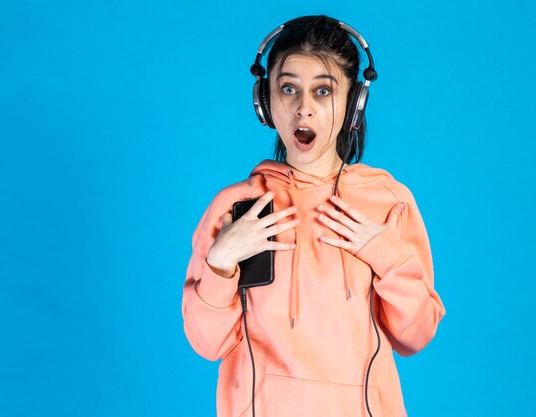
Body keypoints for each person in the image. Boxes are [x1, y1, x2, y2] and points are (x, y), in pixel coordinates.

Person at [182, 15, 445, 417]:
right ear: (265, 101)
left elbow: (417, 334)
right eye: (288, 88)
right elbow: (207, 343)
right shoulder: (237, 208)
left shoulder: (387, 201)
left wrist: (387, 256)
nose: (304, 109)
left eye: (323, 91)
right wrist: (219, 264)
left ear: (353, 103)